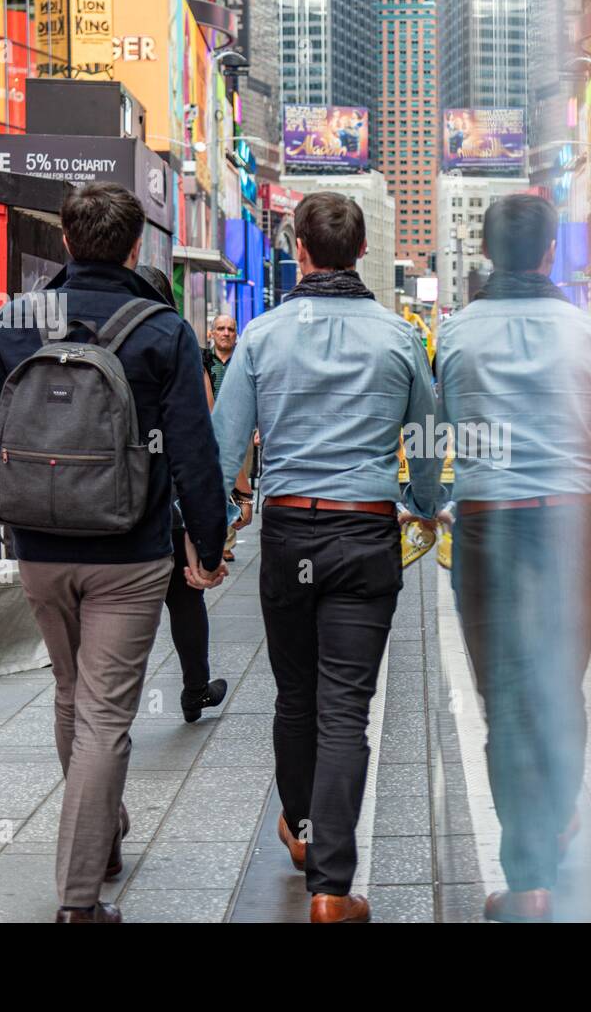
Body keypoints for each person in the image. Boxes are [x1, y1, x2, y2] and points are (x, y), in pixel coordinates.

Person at [0, 182, 228, 924]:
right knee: (106, 715)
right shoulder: (163, 329)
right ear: (138, 246)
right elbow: (193, 451)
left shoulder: (17, 320)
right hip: (130, 552)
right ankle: (81, 898)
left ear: (69, 242)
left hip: (39, 549)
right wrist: (207, 545)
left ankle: (101, 831)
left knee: (70, 694)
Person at [211, 191, 443, 923]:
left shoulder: (262, 335)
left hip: (288, 535)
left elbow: (224, 448)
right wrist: (428, 504)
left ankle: (303, 831)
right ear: (361, 250)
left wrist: (213, 534)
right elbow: (430, 440)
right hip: (366, 533)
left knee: (294, 696)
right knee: (346, 709)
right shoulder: (401, 337)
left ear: (300, 252)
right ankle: (332, 892)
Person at [436, 193, 591, 922]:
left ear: (487, 253)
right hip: (565, 527)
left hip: (487, 528)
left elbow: (439, 436)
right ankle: (553, 823)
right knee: (559, 690)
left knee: (503, 701)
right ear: (552, 251)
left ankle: (527, 881)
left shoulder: (456, 333)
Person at [135, 265, 228, 723]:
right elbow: (198, 437)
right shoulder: (176, 341)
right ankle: (195, 689)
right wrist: (208, 542)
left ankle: (101, 704)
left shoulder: (95, 337)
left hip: (100, 500)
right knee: (185, 597)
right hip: (163, 497)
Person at [203, 313, 252, 558]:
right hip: (209, 430)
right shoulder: (202, 361)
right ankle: (221, 540)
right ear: (211, 333)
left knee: (238, 482)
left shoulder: (244, 361)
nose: (226, 333)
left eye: (230, 329)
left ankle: (226, 541)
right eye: (220, 328)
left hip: (242, 428)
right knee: (216, 481)